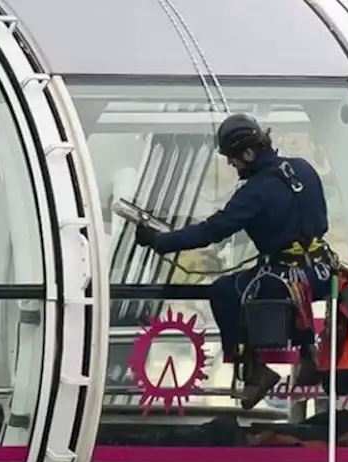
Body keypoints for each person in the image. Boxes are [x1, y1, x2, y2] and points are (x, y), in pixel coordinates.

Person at [134, 113, 334, 410]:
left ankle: (255, 371)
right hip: (323, 271)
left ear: (249, 153)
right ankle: (308, 354)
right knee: (275, 283)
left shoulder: (255, 191)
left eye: (232, 158)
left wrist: (160, 241)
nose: (231, 164)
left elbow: (213, 231)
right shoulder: (302, 168)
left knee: (225, 291)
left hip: (287, 278)